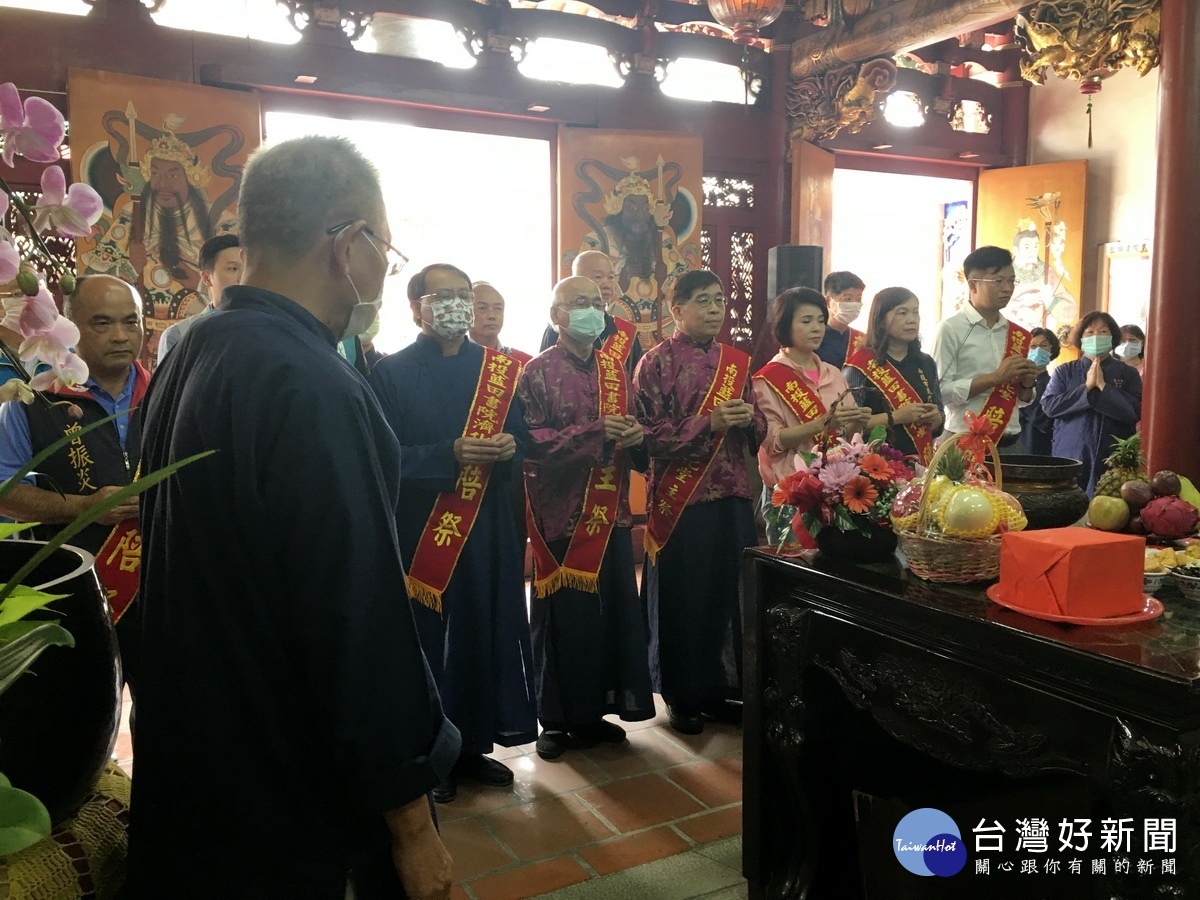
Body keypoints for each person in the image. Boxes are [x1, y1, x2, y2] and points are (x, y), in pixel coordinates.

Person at [130, 136, 458, 898]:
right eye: (387, 248)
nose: (385, 269)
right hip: (285, 782)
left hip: (195, 759)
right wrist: (411, 824)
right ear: (349, 245)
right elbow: (358, 618)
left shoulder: (195, 349)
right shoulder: (317, 387)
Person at [370, 263, 537, 805]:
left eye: (465, 296)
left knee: (482, 630)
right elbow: (381, 455)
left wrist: (512, 446)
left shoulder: (498, 369)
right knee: (427, 642)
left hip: (487, 524)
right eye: (444, 296)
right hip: (424, 531)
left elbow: (521, 433)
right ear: (415, 305)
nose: (458, 306)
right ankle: (431, 756)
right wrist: (450, 453)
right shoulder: (389, 373)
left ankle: (473, 747)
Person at [518, 275, 655, 760]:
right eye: (579, 303)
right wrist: (595, 433)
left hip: (612, 513)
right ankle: (554, 718)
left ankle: (594, 713)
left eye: (597, 303)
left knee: (608, 616)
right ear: (556, 315)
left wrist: (637, 439)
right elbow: (530, 444)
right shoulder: (534, 372)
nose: (591, 311)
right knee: (562, 621)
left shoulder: (618, 370)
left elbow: (641, 438)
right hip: (561, 515)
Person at [634, 269, 765, 735]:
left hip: (732, 492)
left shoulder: (737, 361)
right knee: (683, 598)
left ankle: (724, 689)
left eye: (719, 300)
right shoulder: (654, 363)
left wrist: (751, 419)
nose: (714, 309)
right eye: (704, 301)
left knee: (729, 595)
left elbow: (759, 429)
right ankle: (682, 695)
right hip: (681, 501)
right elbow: (645, 436)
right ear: (676, 310)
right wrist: (706, 422)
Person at [0, 274, 147, 686]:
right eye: (102, 323)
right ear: (69, 326)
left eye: (130, 321)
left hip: (162, 591)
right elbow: (4, 493)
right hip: (69, 593)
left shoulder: (167, 394)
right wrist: (82, 508)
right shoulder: (34, 400)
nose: (120, 336)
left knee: (166, 719)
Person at [752, 288, 871, 544]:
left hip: (834, 490)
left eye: (820, 320)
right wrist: (821, 423)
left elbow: (848, 437)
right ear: (785, 326)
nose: (816, 328)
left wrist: (856, 420)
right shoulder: (766, 379)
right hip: (791, 491)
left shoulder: (833, 373)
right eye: (806, 321)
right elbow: (772, 442)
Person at [930, 246, 1038, 455]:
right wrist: (994, 378)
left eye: (1011, 281)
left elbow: (1022, 401)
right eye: (998, 281)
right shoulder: (950, 329)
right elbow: (938, 392)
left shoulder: (1017, 334)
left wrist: (1027, 385)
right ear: (973, 285)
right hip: (964, 443)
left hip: (1011, 444)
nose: (1007, 288)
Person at [1040, 311, 1142, 496]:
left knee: (1112, 511)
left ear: (1112, 337)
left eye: (1103, 332)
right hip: (1070, 451)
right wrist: (1086, 388)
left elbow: (1134, 412)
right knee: (1069, 505)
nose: (1097, 337)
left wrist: (1104, 387)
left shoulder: (1128, 373)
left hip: (1113, 455)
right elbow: (1049, 406)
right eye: (1090, 332)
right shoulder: (1065, 371)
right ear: (1081, 338)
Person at [842, 287, 944, 466]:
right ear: (880, 321)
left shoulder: (925, 362)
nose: (911, 319)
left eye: (915, 312)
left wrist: (935, 418)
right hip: (876, 468)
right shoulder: (860, 365)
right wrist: (895, 417)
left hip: (921, 463)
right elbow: (848, 429)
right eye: (902, 313)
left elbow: (939, 416)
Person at [541, 250, 644, 379]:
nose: (607, 284)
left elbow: (636, 383)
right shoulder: (560, 326)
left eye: (611, 277)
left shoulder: (624, 333)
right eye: (598, 277)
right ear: (576, 279)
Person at [156, 233, 244, 362]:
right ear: (206, 278)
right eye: (233, 268)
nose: (242, 278)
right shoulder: (179, 335)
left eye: (247, 269)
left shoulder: (268, 328)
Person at [1018, 326, 1061, 456]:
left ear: (1051, 350)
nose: (1038, 350)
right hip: (1014, 443)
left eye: (1044, 346)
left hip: (1040, 446)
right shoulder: (1013, 382)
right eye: (1033, 346)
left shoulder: (1055, 384)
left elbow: (1046, 420)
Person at [470, 281, 532, 365]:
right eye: (482, 308)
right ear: (467, 313)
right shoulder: (453, 359)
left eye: (498, 308)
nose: (492, 315)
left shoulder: (523, 363)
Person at [814, 270, 866, 369]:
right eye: (847, 299)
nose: (854, 304)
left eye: (858, 299)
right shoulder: (814, 336)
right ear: (828, 301)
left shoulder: (862, 340)